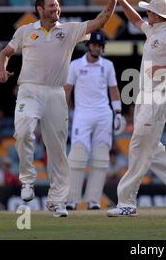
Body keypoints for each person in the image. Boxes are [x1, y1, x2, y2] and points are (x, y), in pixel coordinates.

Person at [0, 0, 117, 217]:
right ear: (40, 9)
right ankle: (27, 181)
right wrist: (1, 69)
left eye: (58, 5)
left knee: (58, 150)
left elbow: (100, 21)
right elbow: (5, 52)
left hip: (55, 93)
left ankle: (57, 202)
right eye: (51, 6)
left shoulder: (69, 30)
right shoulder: (25, 32)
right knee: (23, 132)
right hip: (29, 90)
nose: (56, 9)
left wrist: (113, 0)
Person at [107, 0, 166, 217]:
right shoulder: (154, 30)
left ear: (159, 15)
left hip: (159, 98)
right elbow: (135, 19)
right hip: (146, 97)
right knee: (153, 150)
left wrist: (164, 70)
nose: (147, 15)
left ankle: (127, 202)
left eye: (151, 12)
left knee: (138, 146)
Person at [65, 31, 126, 211]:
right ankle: (72, 199)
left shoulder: (107, 65)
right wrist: (63, 112)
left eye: (100, 45)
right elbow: (67, 89)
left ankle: (93, 200)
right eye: (94, 45)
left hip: (103, 114)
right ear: (88, 46)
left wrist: (118, 112)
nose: (97, 48)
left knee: (100, 158)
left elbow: (113, 89)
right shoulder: (75, 65)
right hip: (82, 115)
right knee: (77, 157)